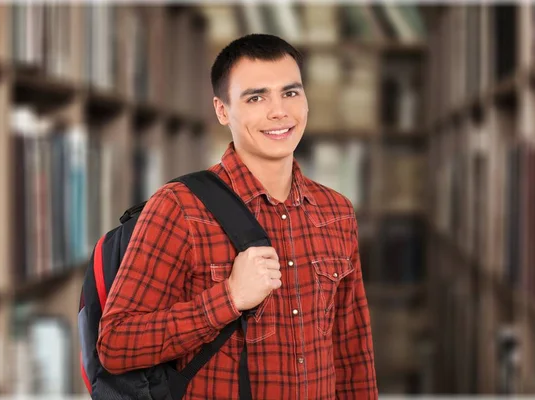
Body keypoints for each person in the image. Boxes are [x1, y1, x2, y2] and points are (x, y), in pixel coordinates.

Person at [97, 33, 377, 399]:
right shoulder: (178, 207)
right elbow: (116, 345)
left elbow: (352, 350)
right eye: (256, 97)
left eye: (290, 93)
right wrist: (228, 298)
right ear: (222, 110)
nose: (279, 112)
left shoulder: (336, 212)